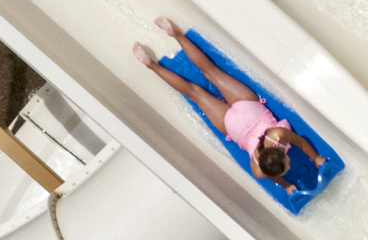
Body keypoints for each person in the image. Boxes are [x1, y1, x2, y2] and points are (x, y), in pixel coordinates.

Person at [136, 18, 323, 195]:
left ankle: (170, 39)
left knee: (207, 77)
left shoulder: (278, 136)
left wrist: (312, 161)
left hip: (247, 112)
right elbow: (285, 162)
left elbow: (298, 144)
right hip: (234, 125)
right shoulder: (257, 167)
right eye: (287, 166)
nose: (289, 167)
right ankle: (152, 62)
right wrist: (294, 178)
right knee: (198, 87)